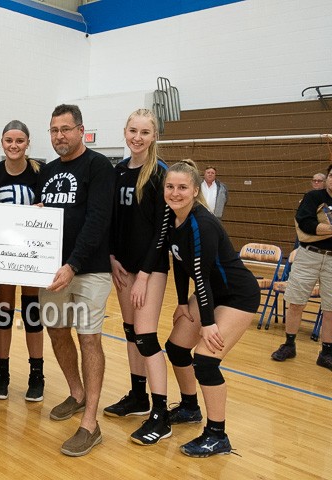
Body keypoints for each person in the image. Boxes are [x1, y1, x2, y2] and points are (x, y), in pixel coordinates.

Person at [164, 159, 260, 457]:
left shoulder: (201, 223)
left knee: (205, 362)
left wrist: (207, 323)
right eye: (170, 186)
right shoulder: (171, 218)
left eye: (182, 187)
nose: (175, 192)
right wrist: (181, 303)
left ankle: (217, 435)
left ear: (195, 191)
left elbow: (201, 276)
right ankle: (190, 408)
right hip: (210, 294)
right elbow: (179, 264)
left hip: (237, 296)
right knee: (177, 348)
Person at [36, 104, 114, 457]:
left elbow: (98, 221)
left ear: (81, 130)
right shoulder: (48, 171)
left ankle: (91, 423)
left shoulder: (98, 167)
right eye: (54, 130)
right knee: (55, 331)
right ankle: (76, 393)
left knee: (89, 340)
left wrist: (73, 264)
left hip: (88, 271)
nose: (59, 136)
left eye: (65, 129)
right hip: (51, 272)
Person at [105, 109, 172, 445]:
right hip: (123, 266)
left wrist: (144, 275)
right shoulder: (117, 171)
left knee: (146, 336)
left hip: (151, 268)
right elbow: (113, 222)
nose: (138, 137)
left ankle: (161, 414)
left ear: (153, 136)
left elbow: (163, 230)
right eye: (133, 130)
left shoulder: (159, 174)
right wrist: (113, 258)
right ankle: (138, 396)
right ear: (125, 131)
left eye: (145, 132)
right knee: (130, 331)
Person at [0, 120, 45, 402]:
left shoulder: (40, 173)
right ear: (2, 142)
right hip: (2, 255)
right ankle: (2, 371)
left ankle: (37, 373)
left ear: (28, 143)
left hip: (32, 255)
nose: (14, 145)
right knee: (3, 313)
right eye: (9, 140)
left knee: (32, 312)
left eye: (19, 141)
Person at [270, 165, 332, 371]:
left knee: (330, 308)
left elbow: (312, 227)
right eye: (331, 175)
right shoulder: (313, 197)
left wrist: (319, 229)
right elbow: (305, 225)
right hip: (308, 256)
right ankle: (289, 344)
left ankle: (326, 352)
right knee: (296, 302)